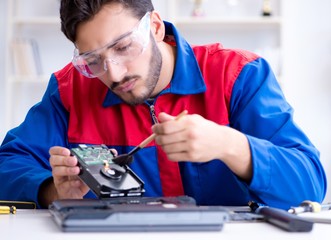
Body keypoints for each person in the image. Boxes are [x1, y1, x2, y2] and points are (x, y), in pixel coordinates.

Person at [0, 0, 327, 209]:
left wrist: (232, 145)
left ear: (155, 27)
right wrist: (52, 192)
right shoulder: (70, 88)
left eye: (124, 47)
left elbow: (310, 184)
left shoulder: (239, 75)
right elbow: (7, 164)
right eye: (93, 60)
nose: (114, 73)